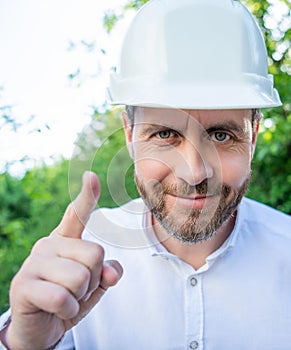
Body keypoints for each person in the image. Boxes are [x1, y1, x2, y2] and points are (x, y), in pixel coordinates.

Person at [1, 0, 290, 349]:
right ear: (129, 135)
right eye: (165, 135)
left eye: (221, 136)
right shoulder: (77, 259)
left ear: (254, 137)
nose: (195, 172)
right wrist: (23, 343)